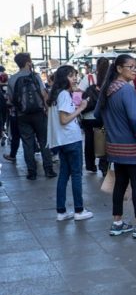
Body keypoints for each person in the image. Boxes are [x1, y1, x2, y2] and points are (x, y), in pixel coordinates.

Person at [96, 55, 136, 239]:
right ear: (118, 69)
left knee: (120, 184)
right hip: (132, 147)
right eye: (130, 67)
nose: (135, 70)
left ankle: (117, 223)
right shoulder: (126, 91)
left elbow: (97, 115)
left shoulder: (108, 89)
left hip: (114, 147)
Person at [46, 65, 93, 222]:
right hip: (71, 139)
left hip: (61, 141)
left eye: (75, 75)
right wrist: (81, 108)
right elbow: (64, 119)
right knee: (77, 175)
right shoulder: (64, 94)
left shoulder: (55, 95)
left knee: (64, 175)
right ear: (64, 77)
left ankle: (61, 211)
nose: (74, 78)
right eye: (71, 75)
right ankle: (79, 210)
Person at [7, 53, 56, 180]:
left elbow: (10, 100)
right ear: (28, 62)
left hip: (22, 115)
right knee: (44, 141)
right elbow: (44, 94)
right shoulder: (35, 76)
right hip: (39, 114)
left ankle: (31, 172)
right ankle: (49, 170)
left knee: (27, 143)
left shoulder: (12, 79)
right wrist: (46, 109)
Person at [78, 58, 110, 174]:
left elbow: (78, 93)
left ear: (96, 66)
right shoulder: (110, 79)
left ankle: (91, 165)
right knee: (102, 140)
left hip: (88, 116)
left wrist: (78, 107)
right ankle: (103, 165)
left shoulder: (89, 78)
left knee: (89, 141)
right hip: (104, 115)